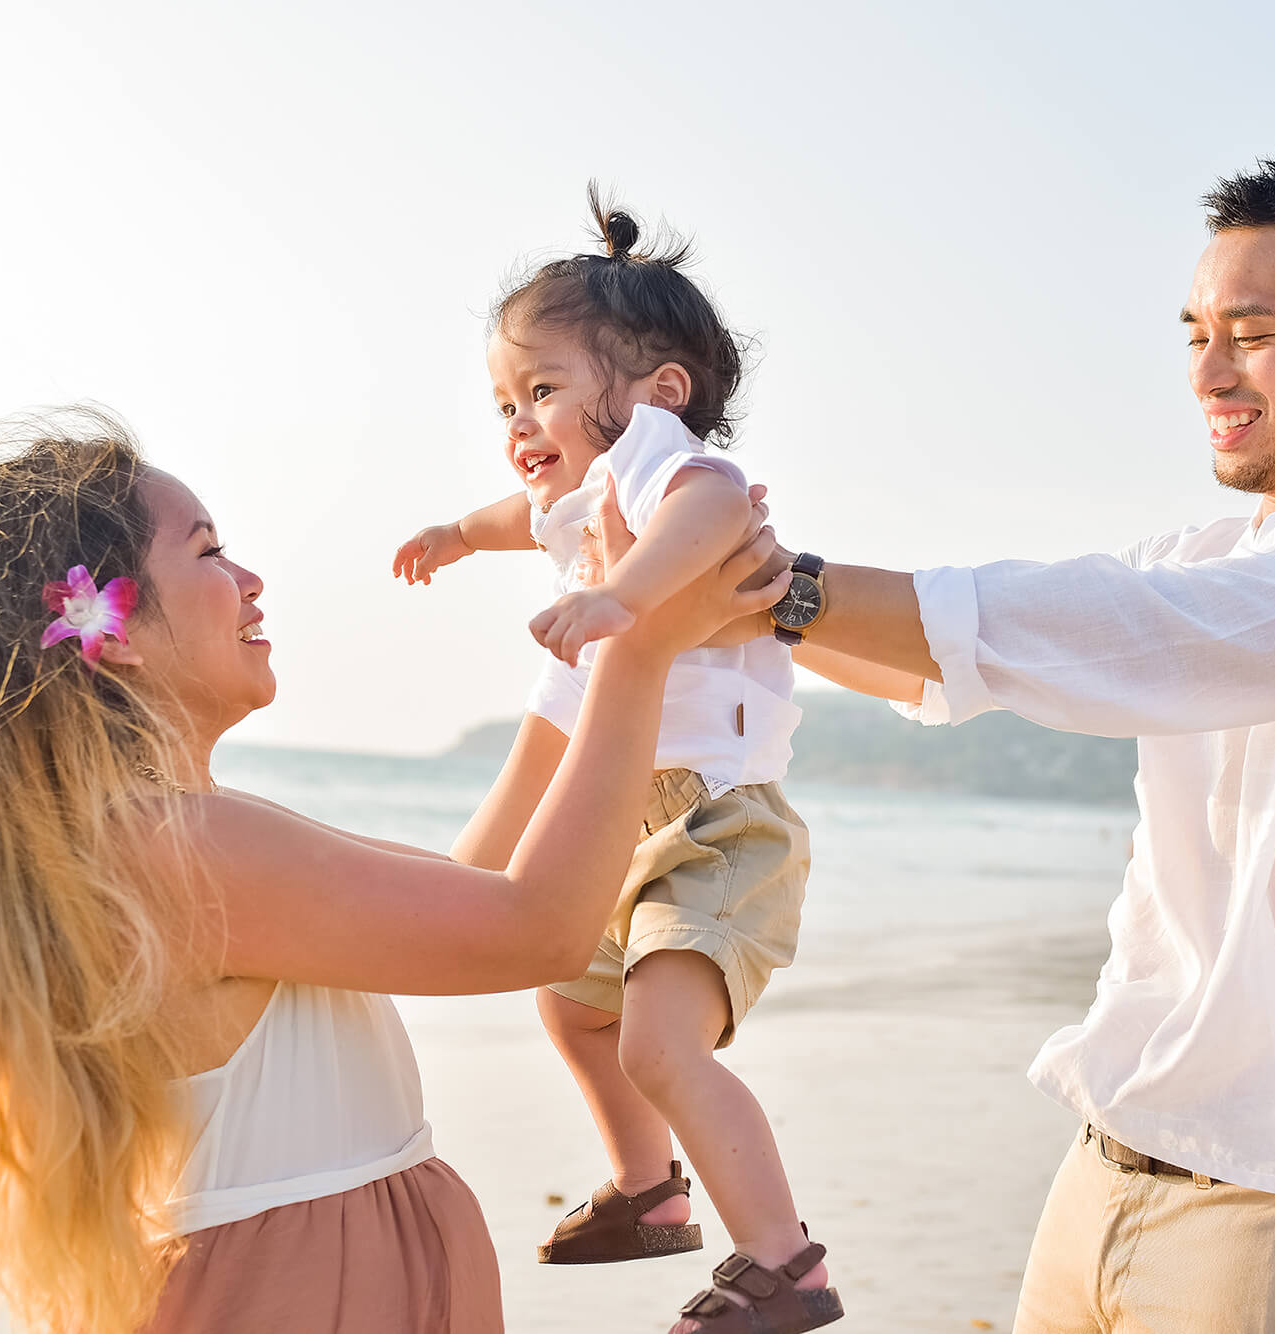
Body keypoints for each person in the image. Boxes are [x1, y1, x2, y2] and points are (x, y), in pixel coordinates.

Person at [0, 409, 786, 1334]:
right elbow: (535, 929)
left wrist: (600, 637)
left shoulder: (172, 832)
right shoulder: (177, 849)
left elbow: (475, 883)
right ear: (114, 629)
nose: (252, 578)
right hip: (303, 1291)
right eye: (211, 550)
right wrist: (638, 651)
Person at [726, 154, 1275, 1331]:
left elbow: (1133, 632)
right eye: (1194, 331)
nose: (1207, 370)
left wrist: (780, 586)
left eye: (1249, 333)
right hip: (1104, 1175)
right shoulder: (1215, 552)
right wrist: (723, 594)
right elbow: (950, 660)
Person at [392, 189, 841, 1334]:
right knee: (570, 1002)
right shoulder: (582, 487)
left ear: (657, 392)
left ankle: (786, 1263)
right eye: (503, 398)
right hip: (639, 819)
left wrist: (620, 597)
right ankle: (648, 1191)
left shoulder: (660, 460)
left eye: (540, 389)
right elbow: (517, 511)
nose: (516, 419)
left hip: (718, 824)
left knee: (657, 1039)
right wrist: (456, 531)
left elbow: (712, 505)